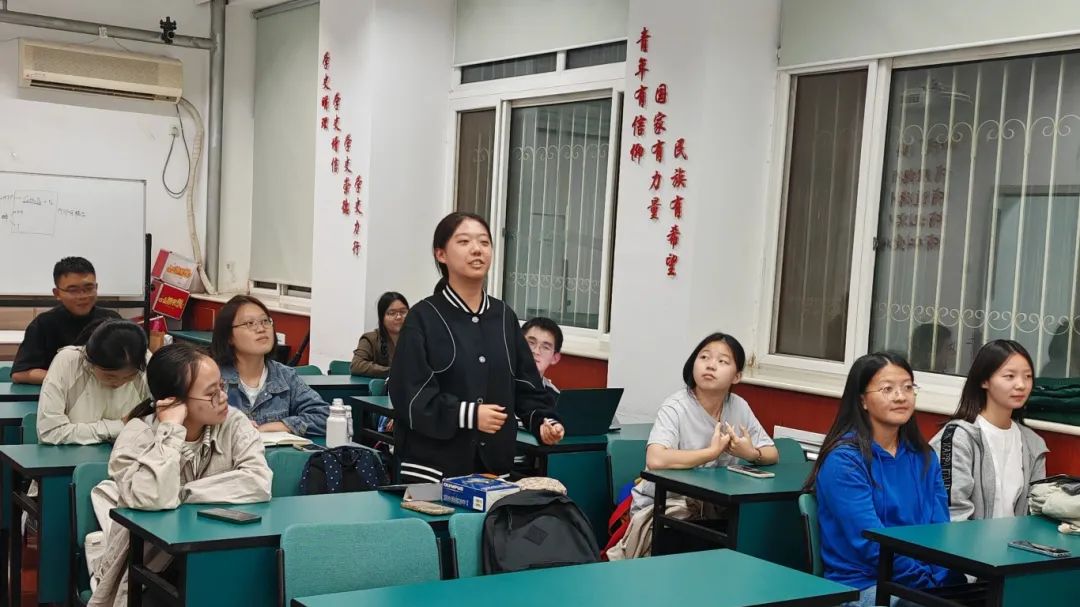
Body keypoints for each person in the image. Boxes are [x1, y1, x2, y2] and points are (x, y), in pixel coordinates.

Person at [87, 342, 272, 607]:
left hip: (215, 551)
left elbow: (258, 482)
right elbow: (153, 497)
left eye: (222, 386)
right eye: (211, 393)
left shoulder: (233, 422)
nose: (223, 398)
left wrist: (182, 494)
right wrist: (171, 431)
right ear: (174, 401)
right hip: (152, 562)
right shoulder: (138, 435)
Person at [389, 212, 564, 483]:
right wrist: (469, 414)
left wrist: (544, 422)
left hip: (493, 471)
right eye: (464, 242)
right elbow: (410, 396)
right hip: (432, 473)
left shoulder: (504, 317)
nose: (477, 250)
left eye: (484, 242)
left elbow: (526, 386)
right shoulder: (422, 317)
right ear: (441, 254)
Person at [609, 332, 778, 559]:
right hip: (666, 505)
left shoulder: (739, 407)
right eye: (704, 357)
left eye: (722, 361)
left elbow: (772, 453)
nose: (711, 365)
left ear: (736, 376)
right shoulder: (676, 406)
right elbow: (656, 459)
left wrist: (751, 453)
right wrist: (710, 453)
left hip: (717, 507)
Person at [806, 352, 956, 607]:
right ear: (862, 400)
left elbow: (940, 530)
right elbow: (870, 544)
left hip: (921, 582)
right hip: (862, 585)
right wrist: (926, 585)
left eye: (908, 387)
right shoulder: (844, 461)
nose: (900, 396)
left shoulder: (924, 456)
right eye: (887, 389)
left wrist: (943, 580)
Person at [931, 340, 1048, 520]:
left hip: (1017, 538)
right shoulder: (957, 438)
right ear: (984, 380)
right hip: (964, 538)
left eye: (1028, 376)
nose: (1021, 385)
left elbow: (1037, 510)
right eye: (1009, 376)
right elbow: (952, 513)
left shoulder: (1033, 443)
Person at [210, 295, 328, 436]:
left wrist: (280, 426)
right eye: (250, 323)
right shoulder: (212, 377)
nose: (261, 329)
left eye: (265, 321)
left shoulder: (285, 376)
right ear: (229, 336)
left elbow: (325, 416)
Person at [37, 319, 149, 445]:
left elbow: (155, 427)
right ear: (90, 361)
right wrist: (119, 426)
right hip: (72, 455)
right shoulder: (68, 362)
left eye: (129, 377)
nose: (118, 383)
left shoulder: (147, 365)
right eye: (109, 376)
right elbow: (49, 432)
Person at [11, 257, 120, 384]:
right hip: (60, 392)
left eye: (89, 288)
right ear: (57, 293)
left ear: (96, 287)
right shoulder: (44, 323)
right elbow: (20, 374)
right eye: (73, 290)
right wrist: (73, 380)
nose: (82, 296)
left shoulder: (112, 321)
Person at [350, 292, 409, 377]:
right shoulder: (370, 339)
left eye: (403, 312)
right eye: (392, 313)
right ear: (382, 318)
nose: (399, 317)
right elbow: (356, 365)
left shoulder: (417, 338)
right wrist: (393, 371)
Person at [522, 316, 563, 400]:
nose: (536, 351)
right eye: (531, 343)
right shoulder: (497, 382)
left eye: (545, 347)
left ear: (555, 358)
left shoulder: (555, 399)